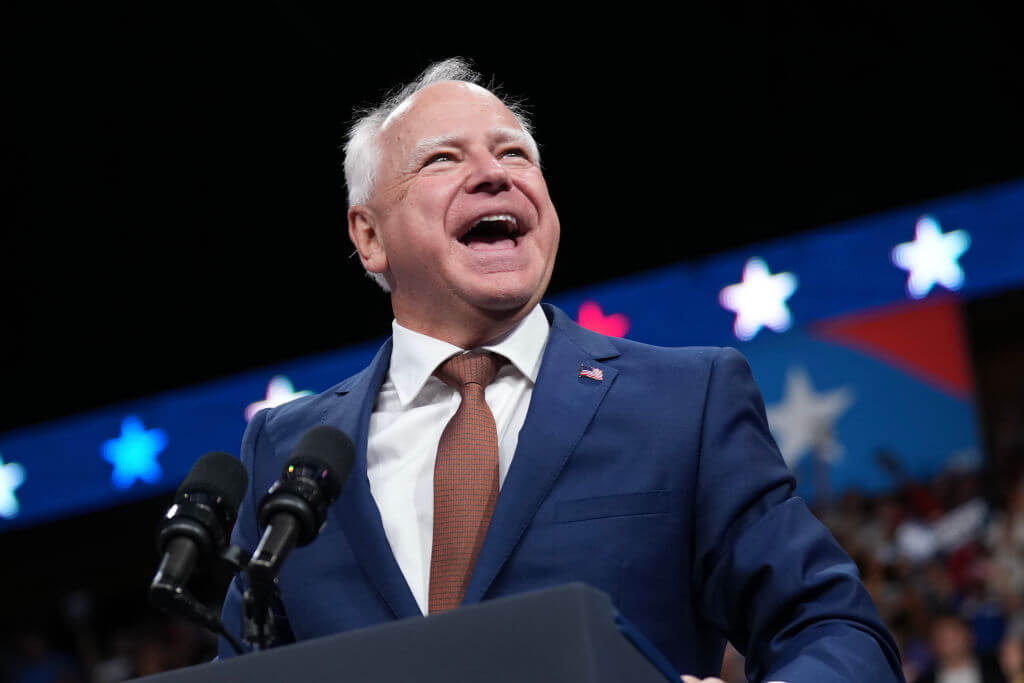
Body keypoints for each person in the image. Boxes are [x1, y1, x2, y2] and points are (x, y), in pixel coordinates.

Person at [219, 58, 903, 681]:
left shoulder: (684, 401)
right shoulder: (289, 452)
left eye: (514, 152)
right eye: (443, 159)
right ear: (368, 235)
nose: (494, 173)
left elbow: (837, 630)